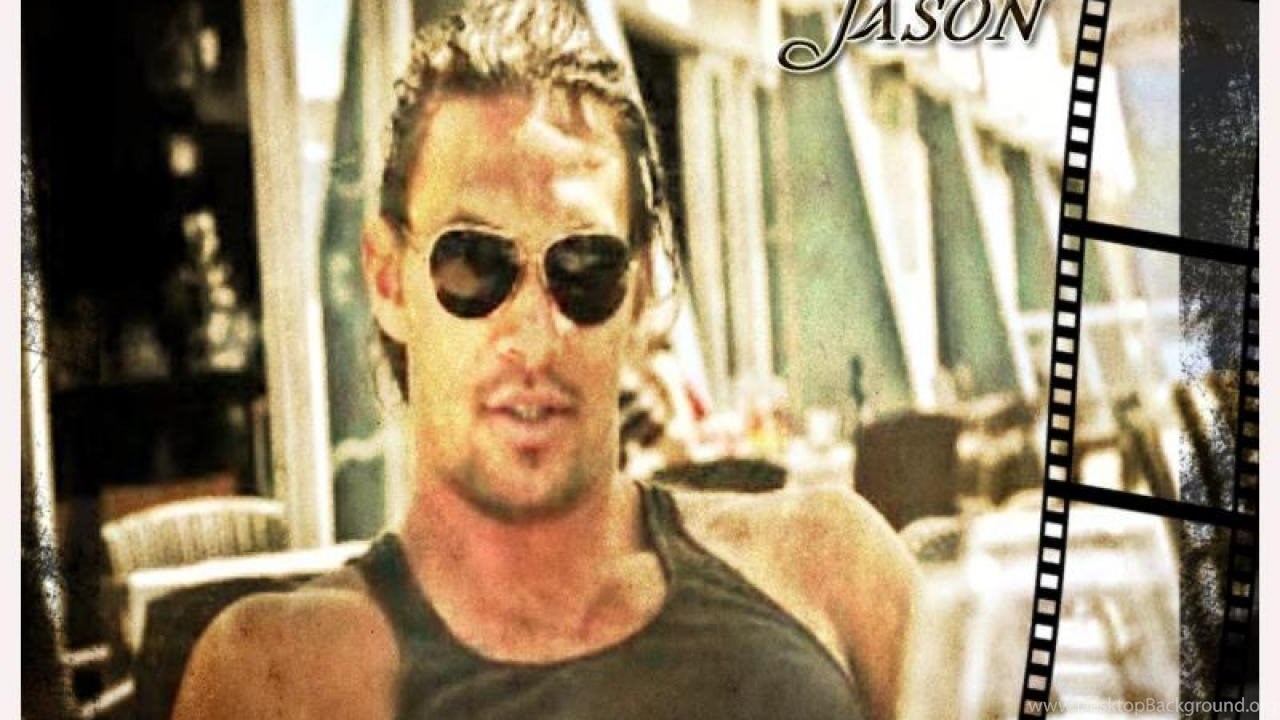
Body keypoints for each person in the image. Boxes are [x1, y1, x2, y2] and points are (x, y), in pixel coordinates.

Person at [172, 2, 918, 719]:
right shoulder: (279, 672)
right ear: (389, 281)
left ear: (640, 290)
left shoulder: (828, 567)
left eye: (584, 268)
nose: (534, 336)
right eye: (473, 263)